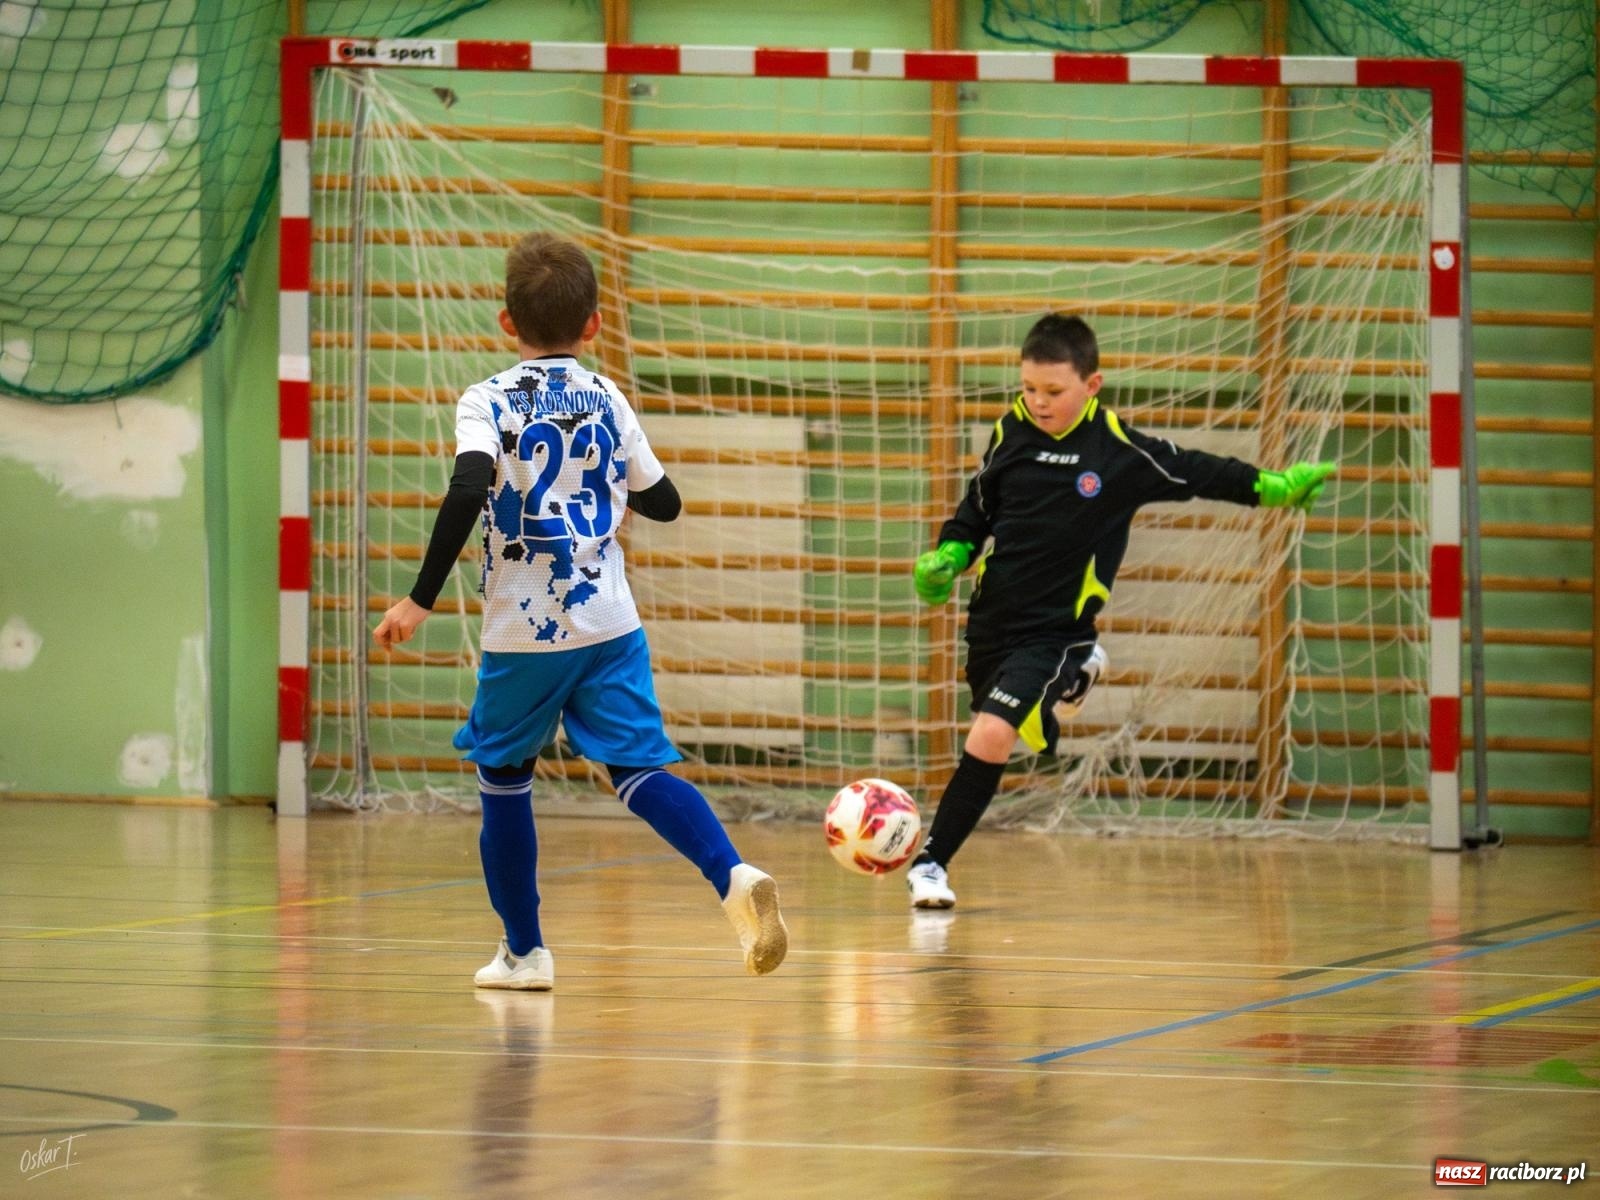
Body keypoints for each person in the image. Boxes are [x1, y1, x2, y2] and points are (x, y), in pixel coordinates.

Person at [373, 232, 788, 988]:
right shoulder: (605, 394)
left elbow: (468, 489)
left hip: (524, 632)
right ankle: (729, 873)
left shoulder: (486, 400)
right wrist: (599, 492)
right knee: (636, 769)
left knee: (504, 776)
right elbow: (665, 502)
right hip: (609, 625)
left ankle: (525, 953)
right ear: (594, 324)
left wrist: (419, 598)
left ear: (506, 322)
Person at [905, 313, 1334, 909]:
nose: (1038, 401)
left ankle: (930, 863)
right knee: (1012, 728)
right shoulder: (1010, 433)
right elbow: (977, 509)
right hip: (991, 621)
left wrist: (1274, 487)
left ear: (1093, 384)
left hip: (1053, 629)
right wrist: (948, 558)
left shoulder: (1119, 452)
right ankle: (1079, 675)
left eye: (1053, 391)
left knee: (993, 733)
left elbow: (1199, 470)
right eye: (1028, 388)